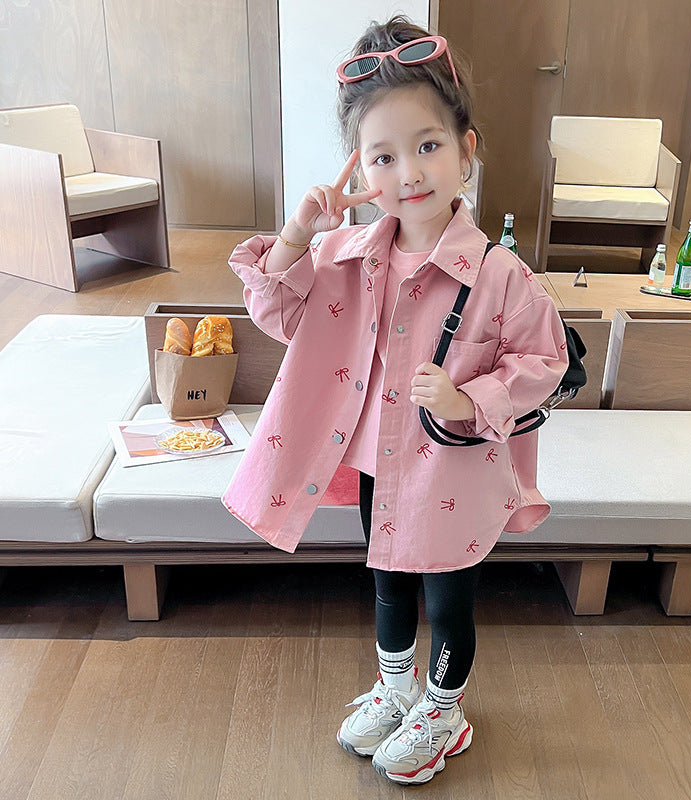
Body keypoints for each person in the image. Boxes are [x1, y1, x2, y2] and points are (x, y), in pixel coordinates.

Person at [222, 15, 568, 785]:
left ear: (467, 151)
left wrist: (466, 396)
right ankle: (397, 689)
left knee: (448, 602)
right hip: (378, 463)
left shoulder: (501, 275)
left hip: (455, 472)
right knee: (386, 582)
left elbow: (545, 360)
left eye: (429, 145)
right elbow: (277, 312)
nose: (409, 172)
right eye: (383, 156)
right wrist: (298, 231)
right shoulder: (342, 255)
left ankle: (445, 713)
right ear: (361, 168)